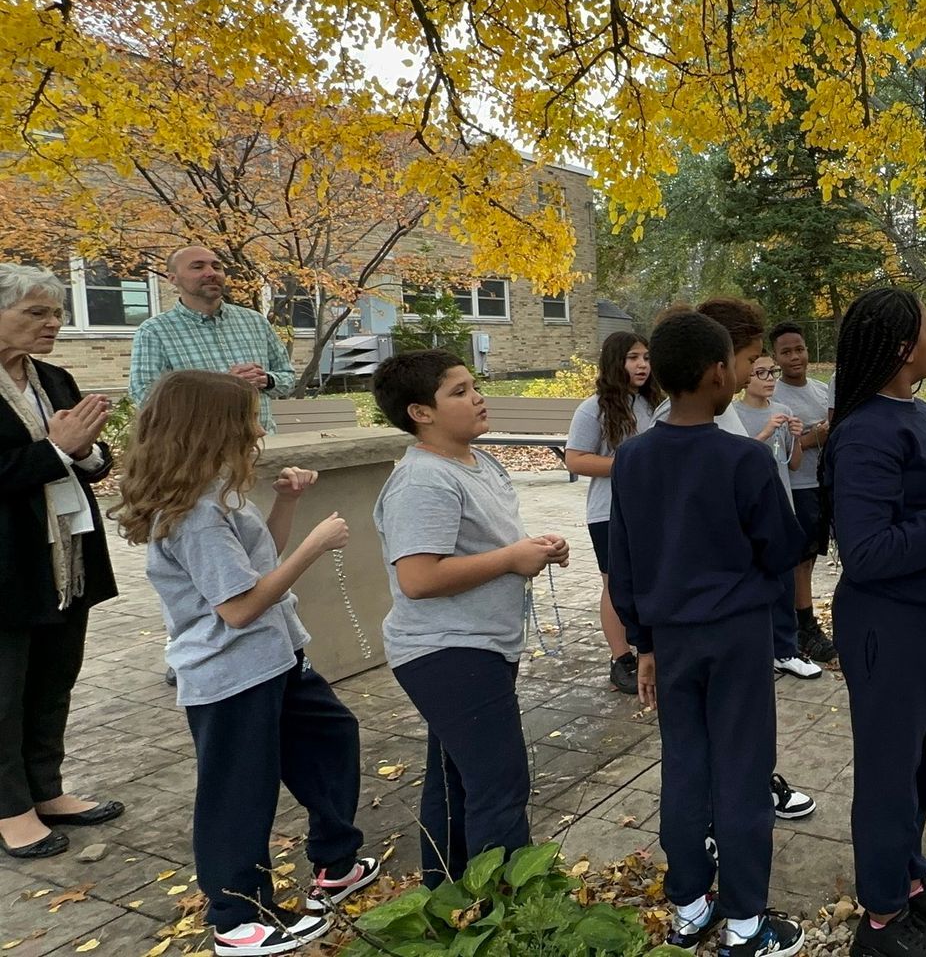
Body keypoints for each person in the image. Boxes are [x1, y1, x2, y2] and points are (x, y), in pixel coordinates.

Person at [114, 371, 379, 956]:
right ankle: (238, 918)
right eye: (249, 419)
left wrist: (286, 504)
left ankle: (336, 861)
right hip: (230, 673)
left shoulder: (213, 497)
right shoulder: (194, 517)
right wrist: (314, 546)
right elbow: (238, 608)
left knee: (330, 737)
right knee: (239, 791)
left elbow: (260, 564)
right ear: (212, 431)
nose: (259, 430)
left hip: (275, 658)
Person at [606, 311, 810, 957]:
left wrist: (643, 642)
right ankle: (747, 924)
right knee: (743, 772)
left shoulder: (633, 460)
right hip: (738, 635)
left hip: (670, 641)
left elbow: (624, 563)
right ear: (720, 372)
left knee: (685, 765)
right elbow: (781, 550)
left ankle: (691, 904)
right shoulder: (743, 461)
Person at [823, 288, 926, 957]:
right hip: (889, 627)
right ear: (900, 347)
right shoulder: (864, 433)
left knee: (922, 762)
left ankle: (908, 878)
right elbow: (867, 552)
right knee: (889, 775)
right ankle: (882, 921)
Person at [371, 349, 569, 886]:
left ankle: (448, 895)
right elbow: (418, 578)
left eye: (473, 385)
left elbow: (482, 545)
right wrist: (510, 559)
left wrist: (533, 549)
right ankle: (509, 909)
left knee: (452, 779)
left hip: (482, 643)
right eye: (458, 392)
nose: (477, 397)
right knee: (498, 786)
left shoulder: (477, 462)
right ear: (421, 413)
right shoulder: (424, 481)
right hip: (447, 650)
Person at [653, 301, 820, 822]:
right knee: (717, 726)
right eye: (750, 357)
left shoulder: (711, 414)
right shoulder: (686, 424)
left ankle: (730, 800)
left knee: (732, 724)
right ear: (718, 361)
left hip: (721, 609)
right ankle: (722, 813)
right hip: (719, 610)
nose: (756, 368)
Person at [0, 264, 120, 860]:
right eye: (37, 313)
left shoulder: (53, 376)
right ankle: (9, 809)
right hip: (6, 567)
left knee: (55, 678)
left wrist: (91, 452)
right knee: (5, 690)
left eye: (56, 312)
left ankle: (46, 789)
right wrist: (56, 450)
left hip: (65, 558)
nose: (54, 324)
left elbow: (92, 455)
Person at [565, 332, 661, 696]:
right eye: (633, 358)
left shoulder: (656, 405)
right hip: (608, 512)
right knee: (615, 584)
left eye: (647, 358)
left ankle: (650, 650)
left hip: (652, 511)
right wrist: (626, 466)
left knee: (648, 579)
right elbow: (575, 458)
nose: (642, 365)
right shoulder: (594, 408)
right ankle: (621, 658)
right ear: (614, 363)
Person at [129, 245, 296, 432]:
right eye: (198, 267)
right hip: (200, 451)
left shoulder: (255, 321)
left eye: (217, 267)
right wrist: (219, 390)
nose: (211, 273)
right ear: (172, 278)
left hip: (261, 443)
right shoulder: (155, 331)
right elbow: (145, 396)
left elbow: (288, 378)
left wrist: (266, 380)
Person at [769, 323, 838, 664]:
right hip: (795, 489)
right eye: (786, 352)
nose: (795, 357)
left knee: (810, 559)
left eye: (800, 349)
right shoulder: (774, 397)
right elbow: (778, 447)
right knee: (797, 559)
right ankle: (803, 624)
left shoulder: (823, 390)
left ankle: (800, 619)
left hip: (821, 484)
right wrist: (814, 438)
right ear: (776, 358)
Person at [732, 354, 805, 501]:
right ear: (747, 375)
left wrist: (796, 438)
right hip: (751, 500)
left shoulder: (784, 411)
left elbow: (794, 465)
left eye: (772, 371)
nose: (770, 378)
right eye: (761, 372)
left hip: (782, 500)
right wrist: (765, 433)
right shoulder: (734, 414)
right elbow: (737, 464)